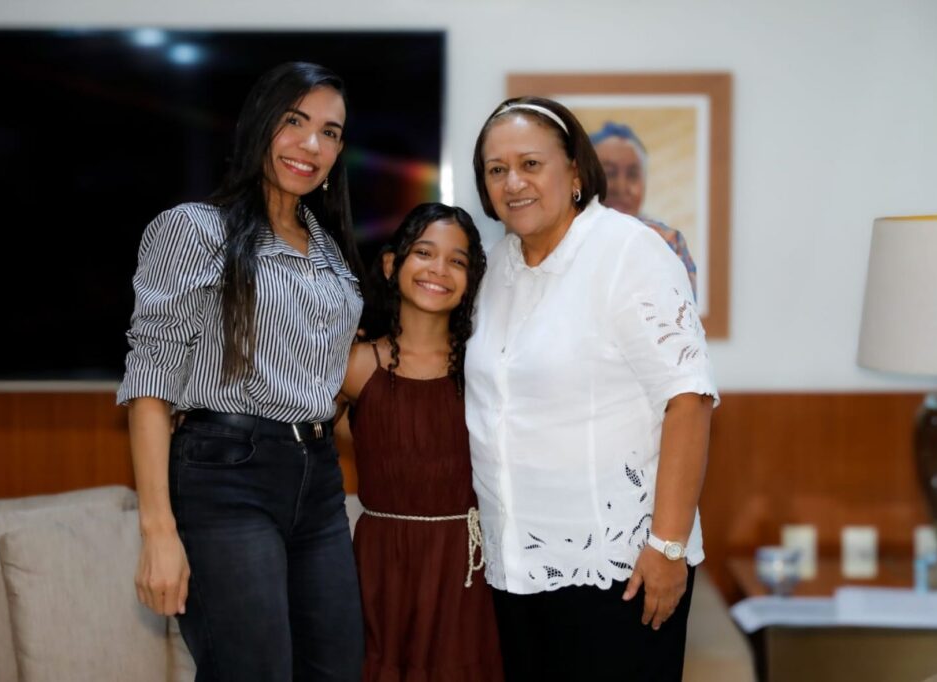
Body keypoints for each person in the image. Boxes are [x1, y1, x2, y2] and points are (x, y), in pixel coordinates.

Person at [117, 62, 365, 681]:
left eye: (330, 132)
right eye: (295, 121)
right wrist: (158, 532)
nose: (312, 145)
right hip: (224, 474)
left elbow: (332, 375)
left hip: (318, 478)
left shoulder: (331, 251)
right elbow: (150, 380)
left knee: (337, 667)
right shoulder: (196, 229)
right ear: (260, 123)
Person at [466, 97, 719, 681]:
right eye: (497, 169)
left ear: (575, 170)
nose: (513, 182)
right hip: (515, 572)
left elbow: (688, 400)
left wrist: (669, 547)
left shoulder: (629, 252)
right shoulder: (496, 268)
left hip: (621, 573)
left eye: (531, 164)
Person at [338, 202, 503, 682]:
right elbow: (298, 435)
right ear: (393, 265)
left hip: (466, 568)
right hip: (382, 567)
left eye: (457, 261)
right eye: (425, 253)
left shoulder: (484, 368)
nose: (439, 269)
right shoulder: (356, 364)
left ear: (473, 279)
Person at [589, 121, 698, 297]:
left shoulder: (667, 243)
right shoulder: (566, 241)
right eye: (609, 173)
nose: (621, 187)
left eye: (632, 175)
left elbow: (681, 310)